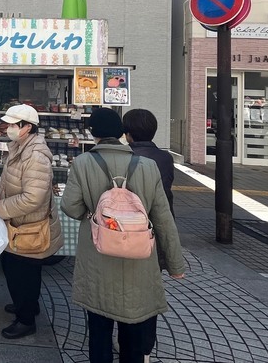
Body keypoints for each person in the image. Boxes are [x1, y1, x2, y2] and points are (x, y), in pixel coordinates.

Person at [61, 107, 185, 363]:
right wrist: (175, 264)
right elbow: (163, 218)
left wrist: (92, 212)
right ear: (121, 133)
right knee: (134, 332)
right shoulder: (148, 166)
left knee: (99, 330)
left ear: (93, 133)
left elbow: (70, 207)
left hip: (98, 258)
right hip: (138, 260)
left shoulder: (83, 163)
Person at [0, 104, 63, 340]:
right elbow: (7, 178)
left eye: (13, 124)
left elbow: (33, 197)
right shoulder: (19, 147)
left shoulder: (35, 156)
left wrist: (1, 208)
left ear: (27, 127)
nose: (8, 128)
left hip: (30, 227)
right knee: (16, 269)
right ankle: (26, 305)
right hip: (19, 224)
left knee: (23, 274)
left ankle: (26, 320)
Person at [122, 108, 175, 217]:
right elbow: (165, 191)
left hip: (127, 218)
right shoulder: (165, 158)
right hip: (159, 216)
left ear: (128, 134)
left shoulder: (122, 156)